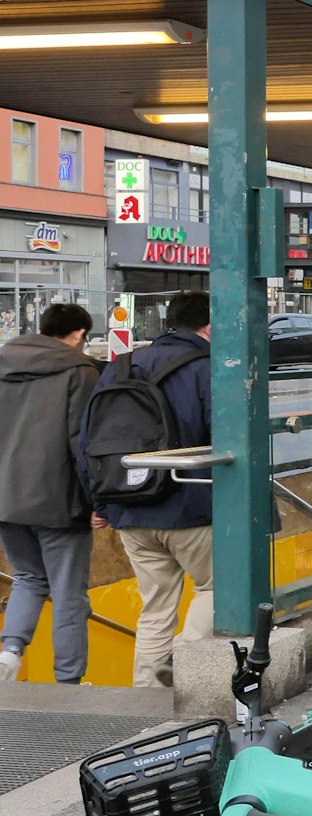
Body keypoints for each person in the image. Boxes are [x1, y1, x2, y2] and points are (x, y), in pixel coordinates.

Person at [80, 289, 214, 688]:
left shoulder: (121, 366)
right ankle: (183, 652)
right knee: (220, 587)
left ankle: (146, 696)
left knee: (155, 607)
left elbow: (87, 441)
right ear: (209, 325)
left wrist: (101, 504)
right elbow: (227, 437)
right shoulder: (208, 367)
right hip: (191, 508)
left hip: (130, 508)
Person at [0, 304, 103, 683]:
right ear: (78, 334)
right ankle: (69, 681)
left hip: (6, 497)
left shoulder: (4, 362)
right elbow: (83, 444)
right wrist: (97, 501)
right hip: (58, 498)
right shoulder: (80, 371)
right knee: (68, 593)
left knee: (28, 577)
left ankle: (10, 652)